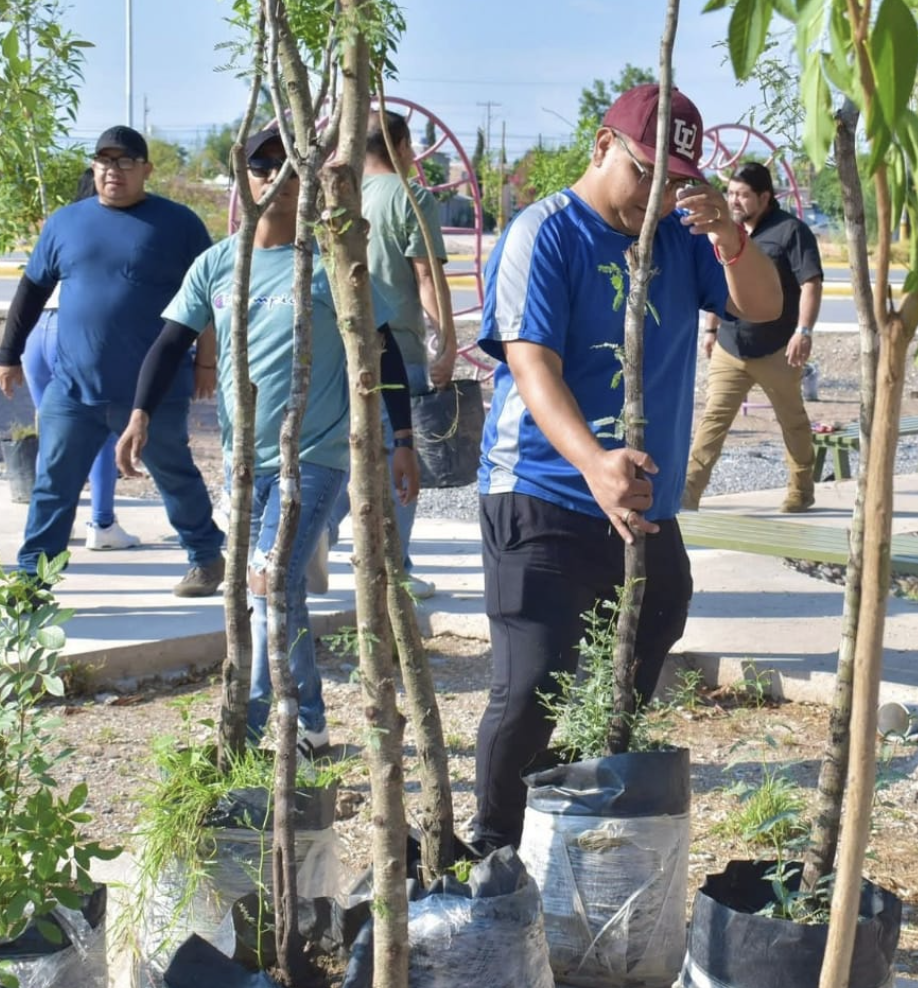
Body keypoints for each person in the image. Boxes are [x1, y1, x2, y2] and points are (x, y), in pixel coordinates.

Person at [469, 83, 782, 851]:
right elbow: (531, 365)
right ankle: (492, 847)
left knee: (655, 624)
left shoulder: (679, 236)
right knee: (535, 676)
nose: (659, 194)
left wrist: (732, 240)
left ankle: (573, 817)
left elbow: (764, 308)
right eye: (646, 171)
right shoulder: (543, 233)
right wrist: (593, 464)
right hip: (540, 489)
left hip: (643, 501)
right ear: (601, 146)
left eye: (677, 180)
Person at [118, 126, 420, 751]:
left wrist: (406, 439)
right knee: (268, 592)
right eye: (262, 166)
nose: (274, 178)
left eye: (288, 169)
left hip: (317, 456)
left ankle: (269, 724)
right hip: (243, 461)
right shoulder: (219, 263)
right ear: (244, 177)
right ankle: (302, 719)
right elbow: (172, 340)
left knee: (270, 582)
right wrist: (140, 413)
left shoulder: (330, 262)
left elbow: (383, 352)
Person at [0, 126, 225, 596]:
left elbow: (206, 298)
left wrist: (206, 361)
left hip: (153, 391)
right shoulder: (65, 222)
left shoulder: (177, 224)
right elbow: (32, 289)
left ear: (145, 169)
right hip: (73, 387)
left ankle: (205, 557)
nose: (112, 170)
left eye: (123, 161)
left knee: (175, 476)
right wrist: (8, 352)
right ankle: (32, 584)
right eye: (103, 160)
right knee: (52, 487)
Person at [350, 108, 460, 600]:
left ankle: (316, 550)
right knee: (400, 454)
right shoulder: (411, 197)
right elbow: (425, 277)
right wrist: (447, 342)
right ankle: (396, 568)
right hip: (400, 347)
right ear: (401, 145)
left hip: (349, 347)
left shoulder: (345, 197)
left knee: (348, 452)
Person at [681, 161, 823, 512]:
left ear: (764, 196)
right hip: (731, 346)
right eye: (730, 194)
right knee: (713, 419)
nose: (734, 201)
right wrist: (711, 329)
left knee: (792, 422)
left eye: (743, 195)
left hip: (777, 349)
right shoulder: (725, 232)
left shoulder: (791, 232)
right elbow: (720, 281)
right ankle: (687, 495)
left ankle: (801, 489)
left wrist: (803, 332)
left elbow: (811, 284)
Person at [17, 168, 138, 552]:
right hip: (77, 335)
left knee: (54, 435)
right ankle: (101, 523)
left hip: (38, 333)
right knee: (99, 428)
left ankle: (53, 523)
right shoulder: (117, 228)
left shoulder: (63, 224)